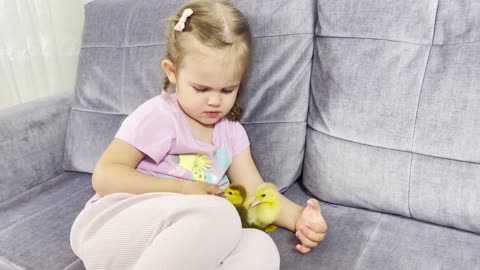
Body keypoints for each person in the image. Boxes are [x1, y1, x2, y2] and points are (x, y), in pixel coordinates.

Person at [70, 0, 327, 269]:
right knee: (221, 215)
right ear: (172, 72)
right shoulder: (158, 116)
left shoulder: (232, 133)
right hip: (113, 226)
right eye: (201, 89)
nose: (215, 101)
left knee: (259, 246)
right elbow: (105, 175)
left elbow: (254, 194)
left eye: (227, 90)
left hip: (181, 242)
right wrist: (181, 189)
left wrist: (300, 218)